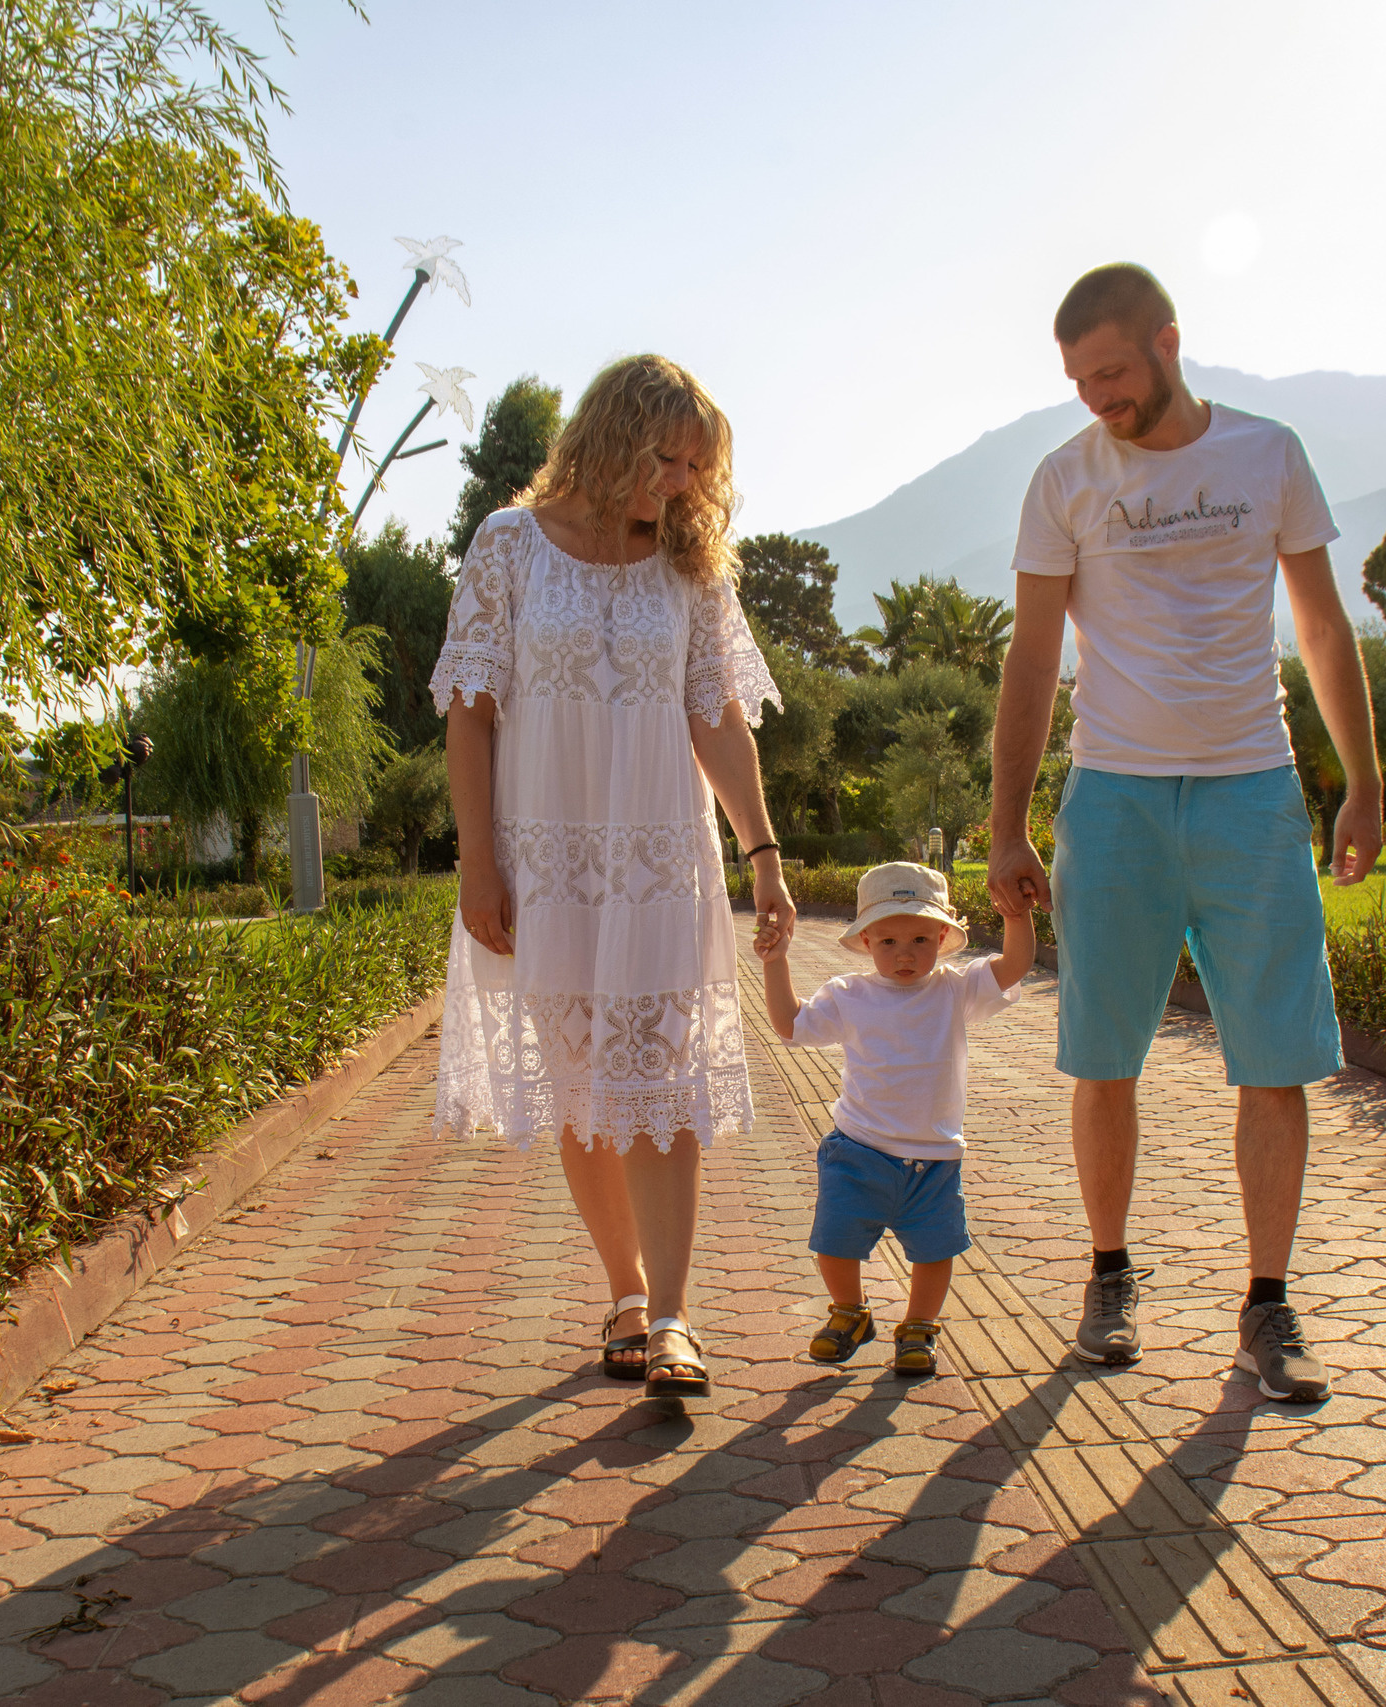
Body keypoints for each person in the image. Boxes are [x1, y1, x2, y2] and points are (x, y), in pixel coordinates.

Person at [984, 263, 1383, 1402]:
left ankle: (1268, 1307)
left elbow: (1318, 621)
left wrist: (1362, 779)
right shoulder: (1064, 480)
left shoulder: (1266, 454)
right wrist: (1007, 823)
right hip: (1111, 798)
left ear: (1167, 342)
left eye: (1109, 371)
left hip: (1252, 792)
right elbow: (1030, 659)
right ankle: (1108, 1277)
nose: (1094, 396)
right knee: (1103, 1057)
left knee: (1274, 1060)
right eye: (1076, 379)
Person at [431, 354, 795, 1400]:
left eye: (695, 465)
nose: (679, 481)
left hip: (656, 859)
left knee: (666, 1082)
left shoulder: (691, 568)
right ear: (606, 439)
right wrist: (478, 867)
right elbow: (470, 713)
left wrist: (763, 855)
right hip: (545, 861)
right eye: (664, 455)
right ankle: (626, 1292)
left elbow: (720, 721)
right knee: (584, 1092)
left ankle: (676, 1316)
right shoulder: (507, 548)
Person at [753, 863, 1034, 1378]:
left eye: (921, 938)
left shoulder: (955, 989)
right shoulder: (848, 995)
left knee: (935, 1250)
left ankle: (919, 1326)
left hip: (934, 1158)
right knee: (833, 1241)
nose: (904, 954)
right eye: (887, 942)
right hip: (858, 1149)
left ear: (944, 936)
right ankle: (850, 1312)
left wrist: (1016, 914)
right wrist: (776, 960)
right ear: (865, 940)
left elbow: (1015, 963)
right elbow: (789, 1024)